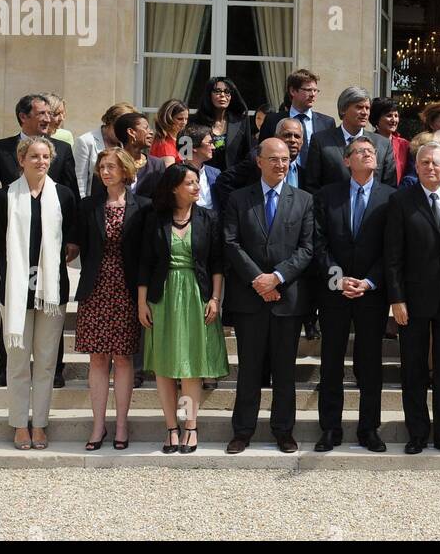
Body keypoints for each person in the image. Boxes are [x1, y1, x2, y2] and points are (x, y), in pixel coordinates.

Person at [0, 94, 79, 389]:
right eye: (41, 113)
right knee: (12, 297)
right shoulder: (1, 149)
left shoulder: (62, 150)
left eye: (50, 113)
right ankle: (6, 367)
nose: (47, 118)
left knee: (52, 300)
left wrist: (73, 238)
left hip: (51, 243)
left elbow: (71, 196)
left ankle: (54, 368)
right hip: (13, 242)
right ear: (23, 116)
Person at [222, 138, 315, 454]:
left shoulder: (303, 200)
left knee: (285, 371)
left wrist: (276, 277)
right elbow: (231, 242)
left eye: (286, 159)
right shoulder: (238, 199)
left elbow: (306, 249)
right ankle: (242, 430)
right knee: (248, 369)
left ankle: (284, 431)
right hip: (250, 299)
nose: (281, 164)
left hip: (287, 298)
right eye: (273, 159)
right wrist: (257, 280)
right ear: (259, 161)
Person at [384, 140, 440, 455]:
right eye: (424, 163)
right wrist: (396, 298)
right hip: (412, 299)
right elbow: (393, 255)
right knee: (413, 369)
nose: (430, 168)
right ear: (416, 166)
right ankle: (418, 433)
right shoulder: (400, 201)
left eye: (436, 163)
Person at [0, 136, 77, 450]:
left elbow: (68, 240)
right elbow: (1, 246)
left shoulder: (64, 196)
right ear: (21, 160)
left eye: (45, 157)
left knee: (45, 361)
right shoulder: (4, 198)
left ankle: (39, 423)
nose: (40, 162)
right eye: (34, 156)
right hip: (15, 290)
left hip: (52, 291)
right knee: (17, 361)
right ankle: (19, 424)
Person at [137, 163, 227, 454]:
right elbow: (145, 263)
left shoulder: (208, 218)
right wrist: (142, 303)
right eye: (190, 183)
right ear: (174, 187)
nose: (196, 187)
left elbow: (216, 263)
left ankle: (190, 426)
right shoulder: (154, 218)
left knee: (190, 366)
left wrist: (215, 298)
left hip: (196, 295)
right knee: (164, 366)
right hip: (162, 297)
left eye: (196, 182)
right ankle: (171, 428)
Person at [312, 135, 394, 453]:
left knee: (370, 364)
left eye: (372, 151)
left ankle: (368, 428)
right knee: (331, 361)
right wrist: (338, 278)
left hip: (371, 295)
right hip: (334, 293)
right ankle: (330, 428)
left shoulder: (391, 197)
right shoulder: (326, 195)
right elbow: (318, 242)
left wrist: (369, 281)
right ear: (347, 161)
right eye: (360, 151)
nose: (368, 155)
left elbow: (392, 248)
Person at [74, 148, 149, 451]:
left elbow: (146, 255)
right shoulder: (88, 205)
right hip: (96, 288)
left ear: (126, 170)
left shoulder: (143, 207)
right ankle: (97, 426)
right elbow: (76, 245)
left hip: (127, 290)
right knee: (98, 357)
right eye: (102, 167)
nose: (105, 172)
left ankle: (121, 425)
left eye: (112, 167)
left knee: (124, 358)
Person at [300, 87, 397, 193]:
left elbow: (389, 188)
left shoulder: (383, 144)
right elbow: (312, 185)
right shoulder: (321, 141)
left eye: (367, 108)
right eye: (359, 107)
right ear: (343, 109)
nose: (364, 112)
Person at [92, 112, 165, 201]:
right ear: (131, 132)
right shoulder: (107, 162)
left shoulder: (157, 165)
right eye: (146, 128)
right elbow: (97, 200)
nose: (151, 132)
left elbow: (162, 199)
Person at [257, 68, 335, 150]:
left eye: (315, 90)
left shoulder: (327, 123)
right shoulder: (272, 121)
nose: (313, 94)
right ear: (293, 91)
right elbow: (262, 152)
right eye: (308, 90)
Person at [73, 102, 135, 199]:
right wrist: (83, 205)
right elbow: (79, 179)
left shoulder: (125, 143)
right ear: (110, 122)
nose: (123, 133)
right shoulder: (86, 141)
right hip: (93, 203)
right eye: (119, 128)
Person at [192, 76, 251, 172]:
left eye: (227, 92)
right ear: (209, 95)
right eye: (217, 91)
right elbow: (185, 154)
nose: (222, 95)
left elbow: (247, 155)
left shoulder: (241, 121)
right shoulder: (195, 121)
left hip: (233, 181)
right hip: (203, 179)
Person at [180, 123, 220, 211]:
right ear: (194, 146)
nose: (213, 147)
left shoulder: (216, 174)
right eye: (209, 143)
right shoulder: (176, 174)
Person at [372, 96, 409, 182]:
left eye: (396, 116)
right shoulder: (368, 143)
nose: (394, 120)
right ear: (377, 119)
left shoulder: (405, 145)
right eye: (389, 116)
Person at [150, 98, 189, 168]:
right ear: (168, 119)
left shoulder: (183, 138)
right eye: (180, 119)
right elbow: (170, 175)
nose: (184, 122)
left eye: (186, 119)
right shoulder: (165, 144)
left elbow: (189, 164)